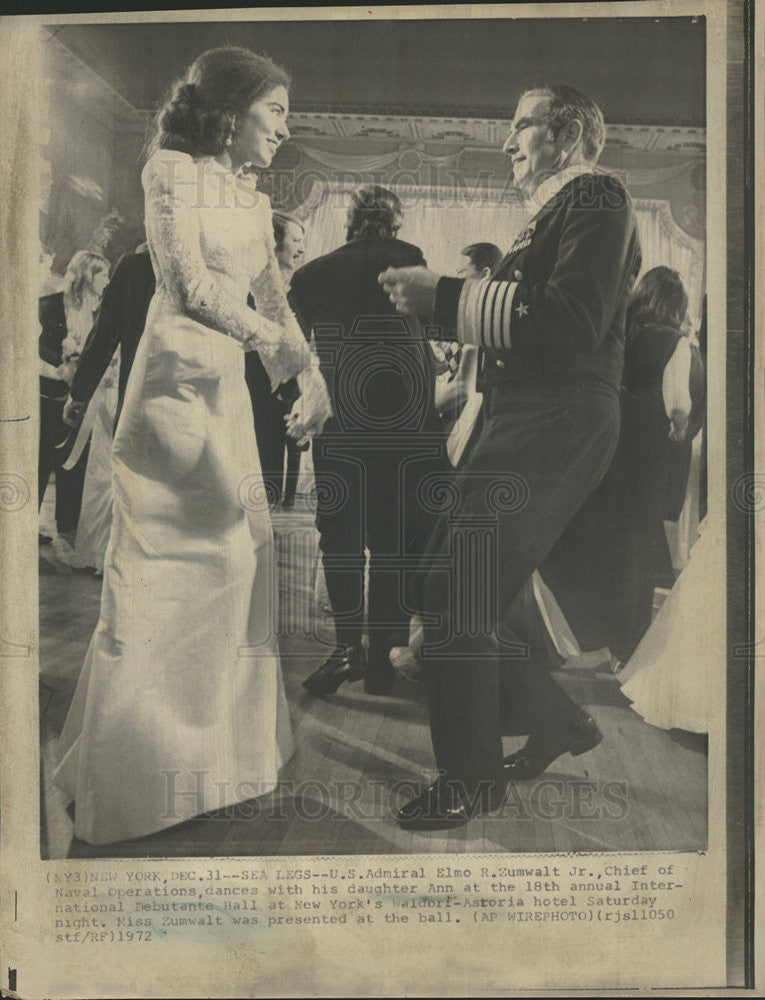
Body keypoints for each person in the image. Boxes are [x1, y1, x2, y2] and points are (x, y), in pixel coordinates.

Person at [54, 47, 331, 845]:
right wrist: (275, 353)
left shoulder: (253, 200)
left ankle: (216, 767)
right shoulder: (170, 170)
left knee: (238, 568)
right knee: (161, 578)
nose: (284, 127)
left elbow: (272, 294)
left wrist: (308, 375)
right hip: (172, 391)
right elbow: (188, 288)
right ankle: (135, 781)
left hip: (224, 401)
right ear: (230, 108)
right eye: (274, 111)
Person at [380, 84, 642, 829]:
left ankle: (470, 779)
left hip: (556, 421)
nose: (506, 143)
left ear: (563, 135)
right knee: (443, 585)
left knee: (459, 593)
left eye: (520, 125)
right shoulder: (557, 212)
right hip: (522, 419)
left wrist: (447, 297)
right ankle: (558, 722)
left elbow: (569, 319)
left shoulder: (598, 196)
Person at [290, 184, 448, 696]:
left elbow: (295, 352)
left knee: (340, 543)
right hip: (402, 429)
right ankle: (381, 660)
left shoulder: (310, 274)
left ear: (350, 222)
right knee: (391, 546)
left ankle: (344, 650)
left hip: (340, 423)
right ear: (394, 223)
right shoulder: (407, 261)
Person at [542, 266, 705, 669]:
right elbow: (679, 402)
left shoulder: (617, 336)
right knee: (638, 555)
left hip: (607, 455)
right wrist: (681, 428)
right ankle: (624, 650)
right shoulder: (676, 343)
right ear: (675, 305)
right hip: (649, 465)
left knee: (599, 548)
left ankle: (586, 642)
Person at [38, 250, 110, 543]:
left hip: (81, 396)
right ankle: (27, 522)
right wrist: (62, 364)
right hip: (49, 392)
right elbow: (38, 344)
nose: (107, 280)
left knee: (74, 456)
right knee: (43, 457)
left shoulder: (101, 311)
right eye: (101, 273)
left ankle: (66, 523)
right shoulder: (49, 305)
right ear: (85, 274)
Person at [244, 212, 306, 507]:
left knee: (275, 467)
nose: (301, 249)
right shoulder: (248, 290)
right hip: (251, 386)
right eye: (295, 240)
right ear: (275, 242)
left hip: (288, 391)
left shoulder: (299, 294)